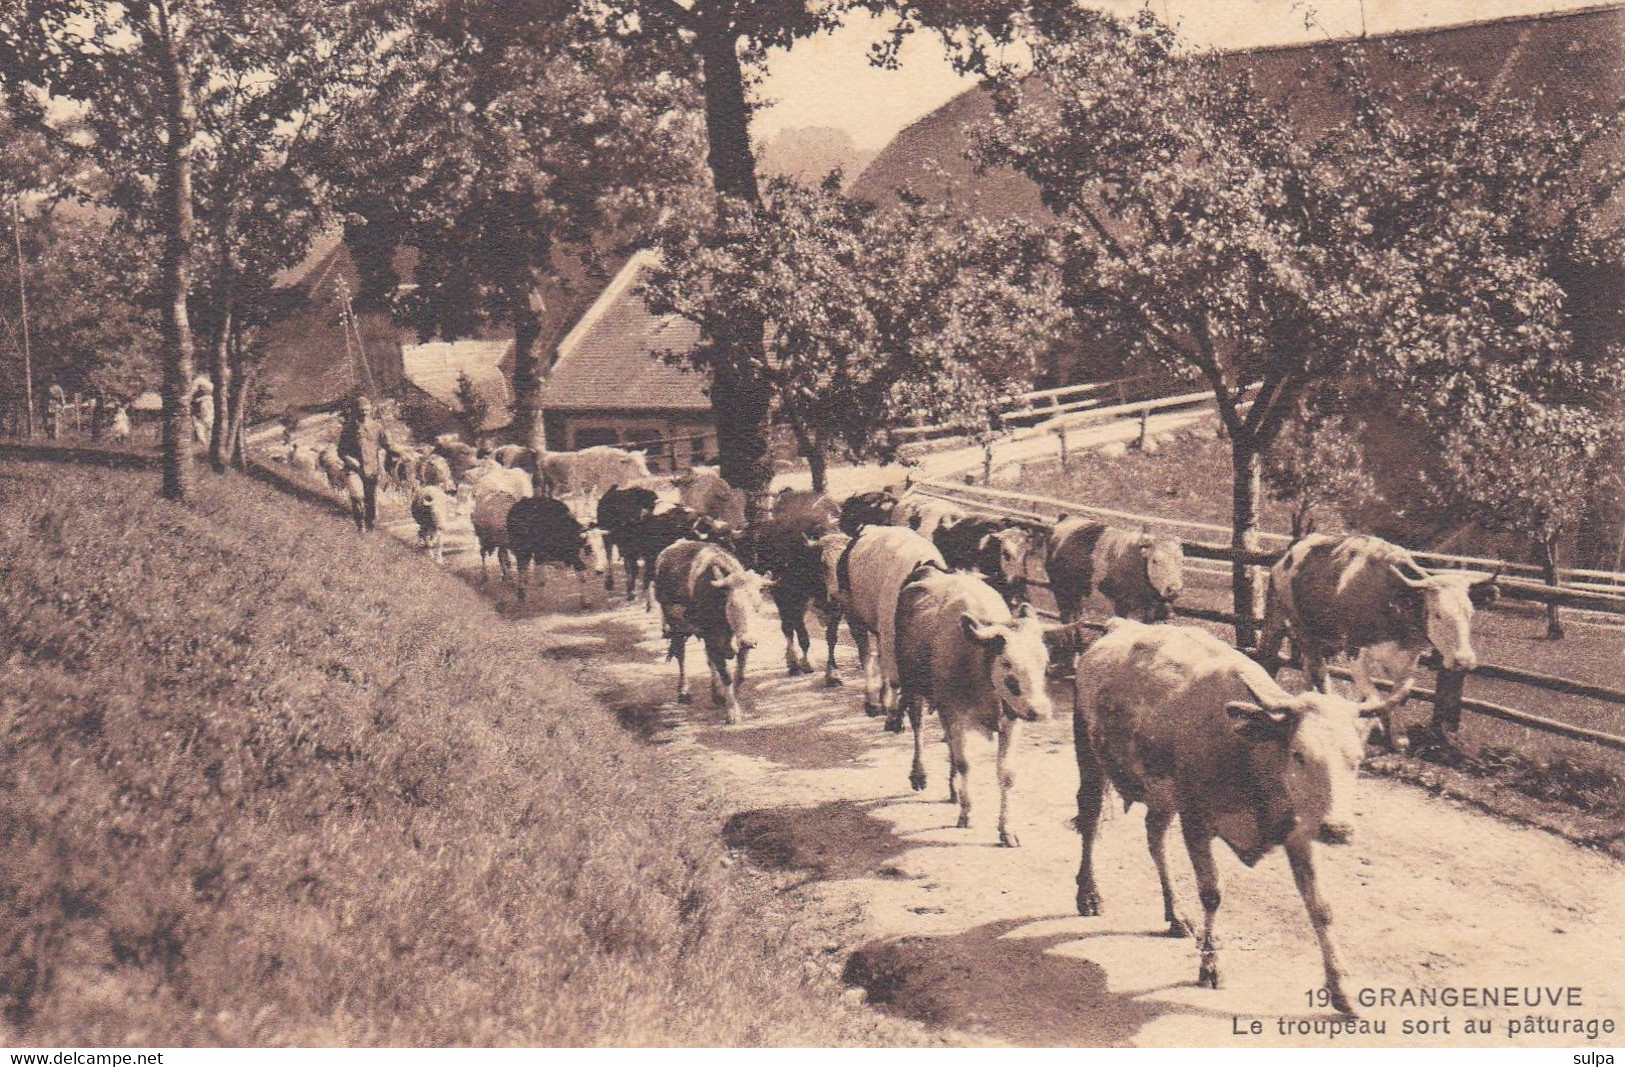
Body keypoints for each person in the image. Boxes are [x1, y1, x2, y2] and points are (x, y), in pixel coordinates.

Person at [338, 394, 394, 533]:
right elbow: (341, 451)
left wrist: (397, 453)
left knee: (370, 499)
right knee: (357, 496)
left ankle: (370, 525)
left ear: (371, 410)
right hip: (354, 469)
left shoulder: (377, 427)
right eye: (361, 410)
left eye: (366, 410)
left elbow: (387, 445)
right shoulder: (349, 429)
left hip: (371, 468)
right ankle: (360, 526)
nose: (364, 413)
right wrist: (352, 461)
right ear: (355, 411)